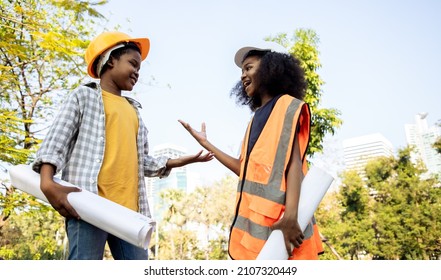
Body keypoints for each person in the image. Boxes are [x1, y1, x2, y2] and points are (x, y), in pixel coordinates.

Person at [31, 31, 214, 260]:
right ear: (110, 60)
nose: (137, 72)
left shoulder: (134, 111)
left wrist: (183, 160)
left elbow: (142, 161)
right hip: (88, 205)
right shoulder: (83, 97)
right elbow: (57, 140)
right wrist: (47, 182)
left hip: (130, 214)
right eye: (133, 64)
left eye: (139, 68)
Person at [179, 41, 324, 260]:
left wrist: (291, 217)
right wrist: (207, 145)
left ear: (269, 68)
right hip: (264, 231)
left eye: (249, 68)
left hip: (285, 225)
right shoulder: (254, 120)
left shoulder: (286, 106)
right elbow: (244, 169)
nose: (242, 76)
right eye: (241, 71)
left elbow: (294, 163)